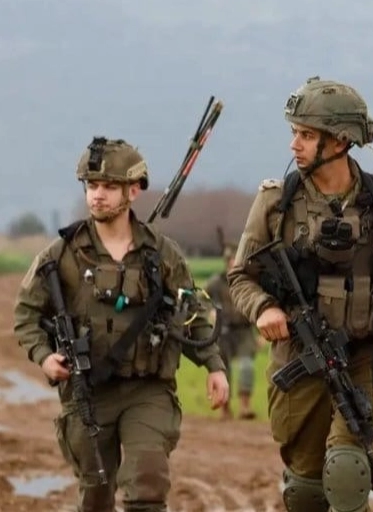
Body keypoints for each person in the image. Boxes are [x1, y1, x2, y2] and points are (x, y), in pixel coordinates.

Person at [13, 136, 229, 512]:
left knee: (148, 483)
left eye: (109, 186)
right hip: (89, 391)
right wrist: (45, 357)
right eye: (91, 185)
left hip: (148, 388)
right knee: (96, 493)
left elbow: (192, 314)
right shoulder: (60, 255)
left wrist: (214, 366)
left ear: (133, 191)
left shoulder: (162, 254)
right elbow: (26, 314)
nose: (97, 195)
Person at [227, 76, 373, 512]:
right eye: (295, 133)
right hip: (299, 354)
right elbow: (241, 277)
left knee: (349, 472)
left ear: (340, 140)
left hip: (365, 357)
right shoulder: (276, 203)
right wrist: (264, 308)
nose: (294, 144)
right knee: (306, 492)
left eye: (307, 135)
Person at [204, 241, 259, 420]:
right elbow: (201, 299)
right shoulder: (216, 282)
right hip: (223, 331)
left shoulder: (250, 281)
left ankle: (245, 407)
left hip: (245, 331)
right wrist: (211, 312)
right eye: (231, 259)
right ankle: (225, 409)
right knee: (223, 370)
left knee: (246, 367)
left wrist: (260, 333)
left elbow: (259, 305)